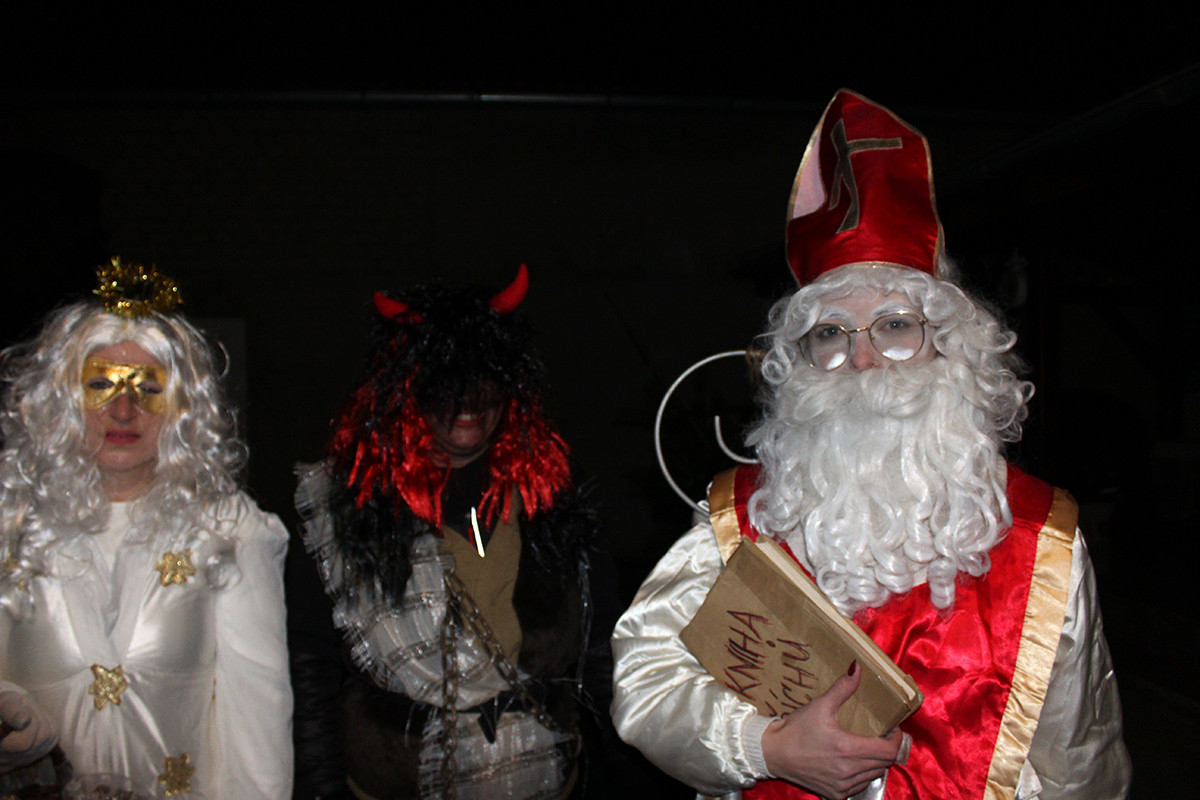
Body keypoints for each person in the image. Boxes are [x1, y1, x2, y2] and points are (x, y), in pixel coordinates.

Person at [610, 90, 1131, 800]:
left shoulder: (1043, 541)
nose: (861, 360)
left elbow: (1081, 762)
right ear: (799, 362)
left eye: (894, 326)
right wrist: (765, 746)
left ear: (950, 347)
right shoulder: (743, 517)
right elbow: (647, 676)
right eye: (831, 334)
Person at [291, 265, 611, 800]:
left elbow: (602, 654)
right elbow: (310, 672)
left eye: (485, 374)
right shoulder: (346, 507)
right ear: (405, 388)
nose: (469, 397)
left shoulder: (553, 496)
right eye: (445, 378)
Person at [0, 258, 293, 799]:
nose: (123, 410)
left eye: (148, 389)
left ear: (182, 408)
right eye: (100, 385)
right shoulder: (12, 521)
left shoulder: (229, 533)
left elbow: (258, 731)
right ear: (64, 398)